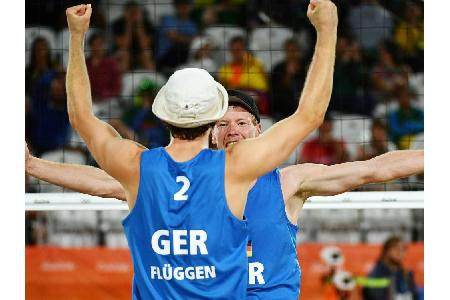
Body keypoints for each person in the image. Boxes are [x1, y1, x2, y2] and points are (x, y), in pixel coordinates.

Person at [26, 94, 424, 299]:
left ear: (258, 130)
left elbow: (373, 169)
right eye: (222, 123)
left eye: (242, 122)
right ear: (210, 132)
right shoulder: (178, 180)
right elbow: (104, 182)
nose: (232, 129)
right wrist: (34, 167)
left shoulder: (288, 181)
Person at [63, 1, 338, 298]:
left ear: (164, 114)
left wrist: (77, 36)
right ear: (214, 117)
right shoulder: (235, 167)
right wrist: (326, 28)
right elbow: (310, 114)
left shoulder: (137, 166)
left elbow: (81, 117)